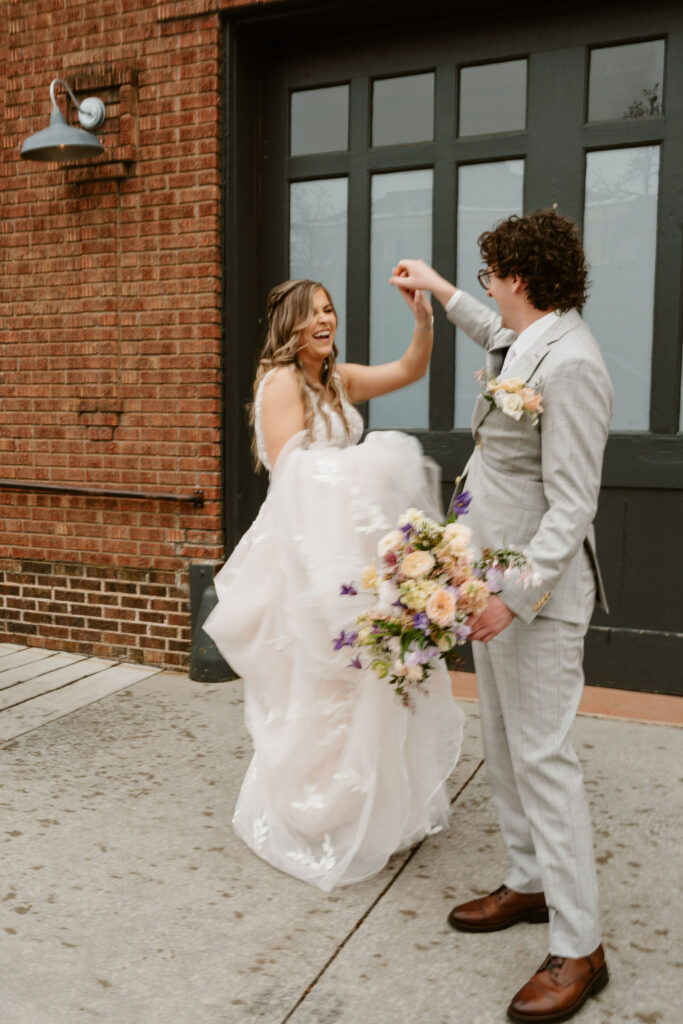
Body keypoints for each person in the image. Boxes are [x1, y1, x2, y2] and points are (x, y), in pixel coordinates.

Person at [390, 208, 612, 1024]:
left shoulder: (573, 364)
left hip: (532, 603)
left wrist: (511, 601)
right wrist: (440, 289)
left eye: (488, 274)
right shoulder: (528, 338)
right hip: (488, 587)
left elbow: (572, 505)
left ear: (518, 278)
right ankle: (528, 883)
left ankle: (579, 943)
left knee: (544, 759)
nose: (486, 287)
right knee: (504, 749)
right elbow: (488, 328)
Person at [204, 278, 464, 890]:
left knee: (362, 680)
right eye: (315, 311)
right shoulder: (280, 384)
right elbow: (293, 474)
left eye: (330, 310)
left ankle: (362, 806)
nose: (327, 319)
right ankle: (311, 808)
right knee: (316, 681)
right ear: (292, 323)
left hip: (348, 555)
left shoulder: (337, 379)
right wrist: (372, 464)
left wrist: (423, 321)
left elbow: (408, 368)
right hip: (302, 557)